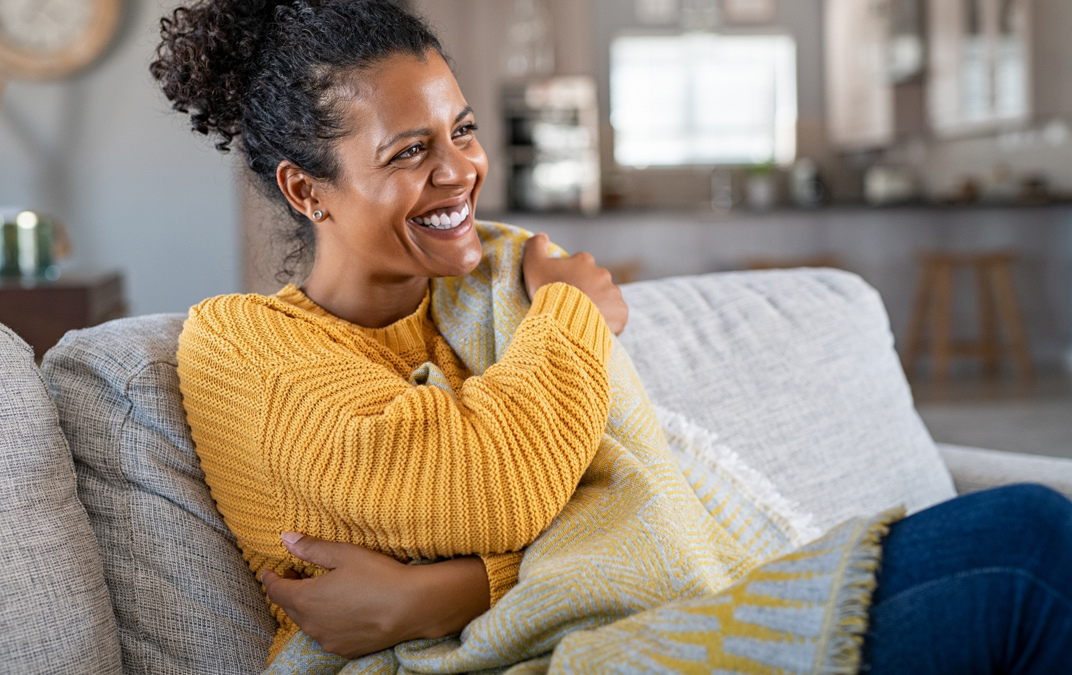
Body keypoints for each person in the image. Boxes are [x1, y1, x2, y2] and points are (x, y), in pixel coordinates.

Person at [153, 1, 1072, 672]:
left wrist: (441, 589)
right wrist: (577, 317)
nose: (461, 170)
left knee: (1033, 533)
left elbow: (625, 495)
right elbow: (489, 482)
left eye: (462, 131)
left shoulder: (490, 291)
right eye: (409, 151)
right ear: (308, 191)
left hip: (640, 622)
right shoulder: (239, 345)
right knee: (1031, 546)